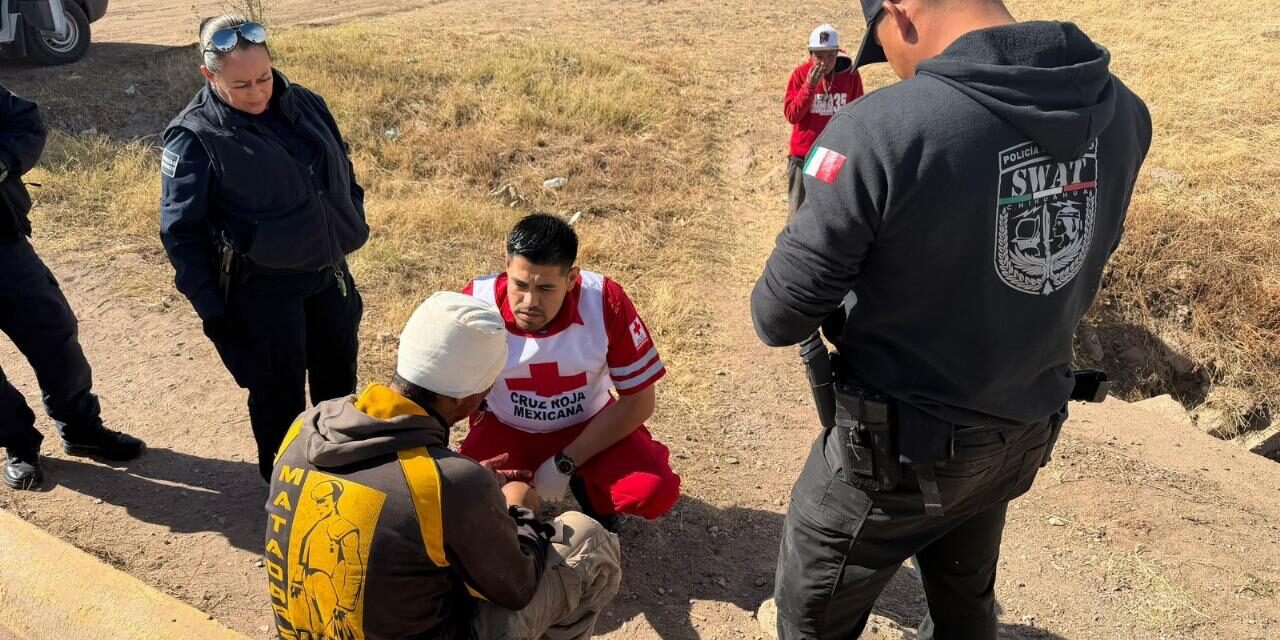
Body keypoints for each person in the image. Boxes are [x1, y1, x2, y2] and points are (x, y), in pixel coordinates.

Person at [751, 1, 1152, 638]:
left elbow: (778, 314)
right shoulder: (1122, 111)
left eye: (884, 42)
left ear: (901, 10)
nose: (901, 68)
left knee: (811, 617)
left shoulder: (879, 130)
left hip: (894, 456)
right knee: (966, 605)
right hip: (1019, 431)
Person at [266, 291, 622, 639]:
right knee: (586, 539)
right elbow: (518, 587)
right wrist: (518, 507)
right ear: (470, 399)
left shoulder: (306, 425)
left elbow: (389, 494)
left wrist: (462, 487)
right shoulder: (448, 485)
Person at [159, 15, 369, 481]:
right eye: (240, 84)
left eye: (263, 78)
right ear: (208, 76)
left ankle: (343, 480)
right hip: (263, 292)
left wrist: (349, 213)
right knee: (279, 398)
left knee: (338, 386)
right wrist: (216, 313)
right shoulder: (196, 137)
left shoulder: (306, 104)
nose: (257, 93)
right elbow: (180, 234)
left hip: (329, 274)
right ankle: (284, 491)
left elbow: (341, 168)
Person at [459, 214, 680, 531]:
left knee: (653, 491)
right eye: (520, 284)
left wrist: (566, 461)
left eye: (546, 288)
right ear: (506, 264)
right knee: (461, 499)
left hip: (588, 423)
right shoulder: (475, 302)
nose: (529, 301)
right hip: (505, 425)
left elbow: (639, 402)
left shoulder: (604, 301)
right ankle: (520, 504)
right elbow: (443, 393)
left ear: (572, 278)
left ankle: (592, 493)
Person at [1, 82, 146, 490]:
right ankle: (18, 444)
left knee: (55, 335)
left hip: (4, 247)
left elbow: (24, 122)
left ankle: (81, 428)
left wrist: (4, 160)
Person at [784, 23, 864, 220]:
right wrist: (809, 86)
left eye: (830, 56)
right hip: (803, 155)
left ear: (838, 54)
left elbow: (856, 115)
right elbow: (792, 115)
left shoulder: (850, 76)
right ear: (810, 54)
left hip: (831, 155)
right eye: (819, 56)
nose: (825, 62)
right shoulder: (800, 75)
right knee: (797, 215)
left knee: (826, 213)